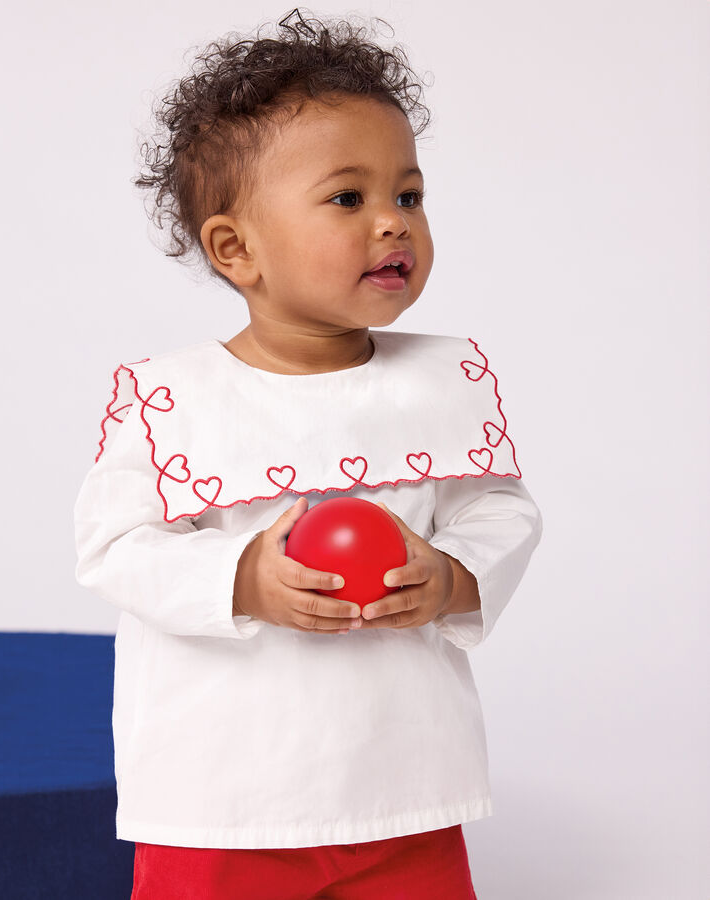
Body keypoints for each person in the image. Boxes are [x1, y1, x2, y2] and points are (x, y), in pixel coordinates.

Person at [73, 8, 543, 899]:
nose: (392, 224)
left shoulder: (439, 382)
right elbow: (111, 546)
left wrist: (451, 575)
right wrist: (240, 578)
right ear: (234, 247)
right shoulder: (172, 399)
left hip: (404, 789)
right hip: (223, 800)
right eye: (347, 199)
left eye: (407, 196)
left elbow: (499, 508)